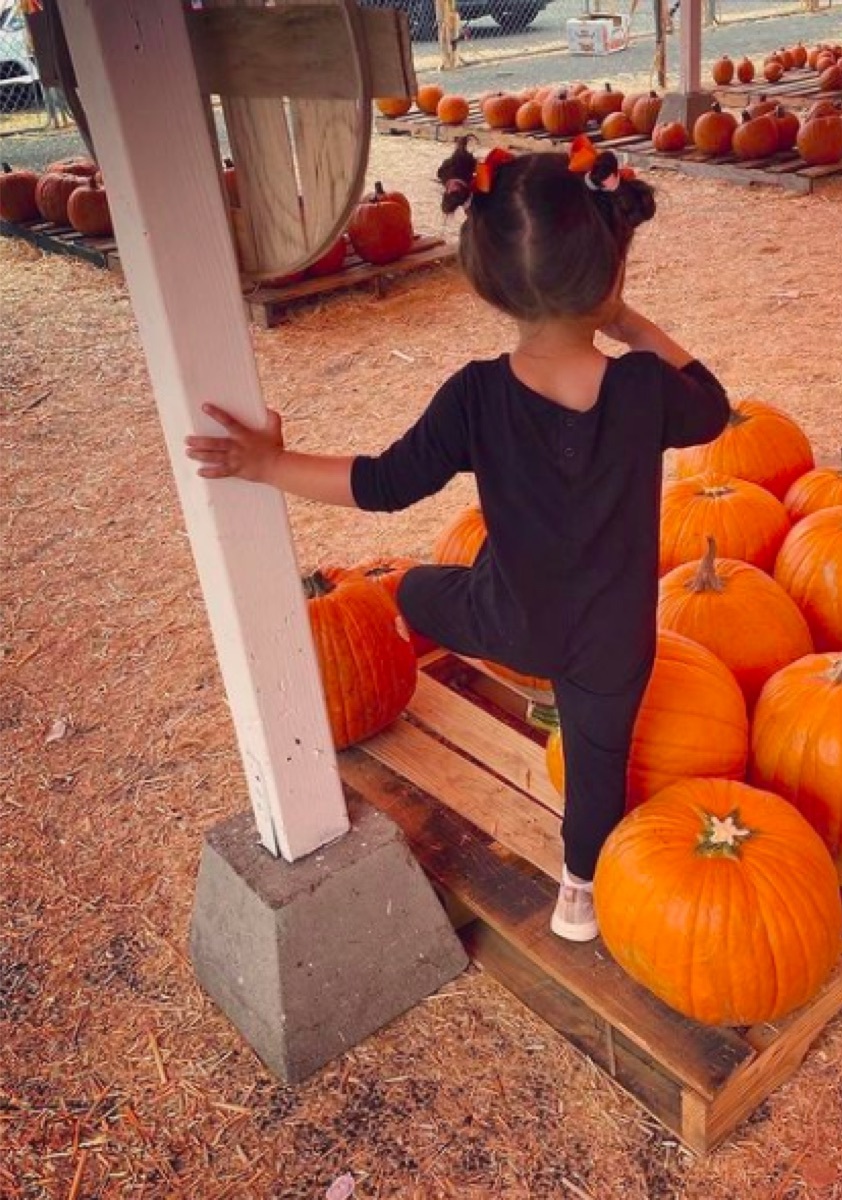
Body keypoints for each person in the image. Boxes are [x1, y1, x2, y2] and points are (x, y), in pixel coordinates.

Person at [185, 136, 730, 942]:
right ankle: (580, 894)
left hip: (511, 619)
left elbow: (379, 485)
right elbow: (713, 405)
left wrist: (268, 464)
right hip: (615, 639)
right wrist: (626, 320)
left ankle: (404, 614)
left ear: (488, 283)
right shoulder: (648, 392)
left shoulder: (474, 397)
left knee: (419, 583)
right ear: (609, 268)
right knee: (596, 762)